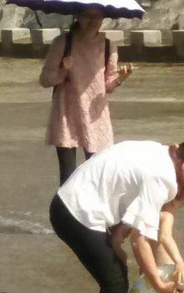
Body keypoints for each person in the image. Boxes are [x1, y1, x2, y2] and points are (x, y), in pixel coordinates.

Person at [50, 139, 184, 293]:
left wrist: (116, 241)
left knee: (115, 279)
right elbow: (139, 241)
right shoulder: (163, 178)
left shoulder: (160, 151)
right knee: (115, 284)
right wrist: (159, 284)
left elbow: (131, 206)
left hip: (69, 202)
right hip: (77, 213)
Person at [39, 6, 134, 185]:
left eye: (98, 17)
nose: (93, 21)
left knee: (99, 176)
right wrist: (62, 70)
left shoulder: (108, 46)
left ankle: (96, 212)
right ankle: (66, 212)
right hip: (67, 114)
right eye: (88, 16)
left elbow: (107, 86)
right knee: (68, 179)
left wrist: (121, 78)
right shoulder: (63, 43)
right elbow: (45, 80)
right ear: (77, 16)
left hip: (96, 115)